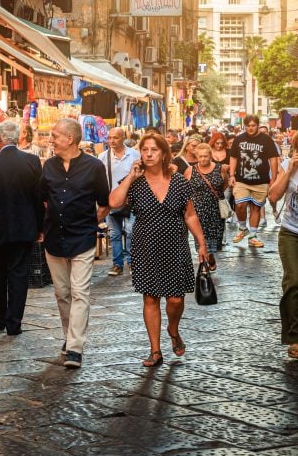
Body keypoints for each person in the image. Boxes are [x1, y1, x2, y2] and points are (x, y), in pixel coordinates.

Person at [109, 133, 209, 367]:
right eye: (145, 150)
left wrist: (201, 243)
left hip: (175, 246)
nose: (150, 154)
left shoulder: (178, 181)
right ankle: (155, 350)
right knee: (151, 298)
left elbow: (190, 214)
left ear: (164, 153)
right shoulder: (136, 182)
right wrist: (130, 178)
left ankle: (173, 329)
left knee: (175, 299)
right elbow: (114, 203)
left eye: (155, 150)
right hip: (145, 247)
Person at [40, 118, 111, 368]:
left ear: (70, 139)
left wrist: (92, 223)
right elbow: (42, 199)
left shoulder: (94, 167)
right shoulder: (48, 166)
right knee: (62, 293)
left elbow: (105, 202)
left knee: (80, 292)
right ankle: (69, 336)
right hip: (54, 238)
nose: (51, 140)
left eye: (55, 135)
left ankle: (75, 348)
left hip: (82, 238)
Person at [0, 120, 44, 335]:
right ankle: (14, 323)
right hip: (24, 229)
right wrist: (40, 228)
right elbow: (38, 200)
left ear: (0, 139)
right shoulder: (32, 162)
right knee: (19, 275)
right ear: (15, 138)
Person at [267, 132, 298, 360]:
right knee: (294, 280)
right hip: (291, 232)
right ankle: (294, 336)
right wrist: (289, 171)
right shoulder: (288, 165)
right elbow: (274, 195)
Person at [228, 114, 280, 248]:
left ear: (257, 125)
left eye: (253, 125)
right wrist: (232, 175)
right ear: (244, 126)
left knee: (256, 207)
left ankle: (253, 235)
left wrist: (273, 178)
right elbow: (233, 157)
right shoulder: (239, 139)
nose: (250, 128)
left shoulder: (266, 139)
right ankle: (242, 228)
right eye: (248, 126)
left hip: (261, 180)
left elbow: (273, 158)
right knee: (240, 205)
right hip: (241, 179)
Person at [99, 127, 140, 276]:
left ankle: (131, 261)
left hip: (131, 200)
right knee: (115, 233)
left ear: (123, 138)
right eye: (109, 138)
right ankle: (117, 264)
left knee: (130, 231)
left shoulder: (134, 155)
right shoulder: (103, 157)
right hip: (111, 200)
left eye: (115, 138)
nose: (111, 141)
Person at [186, 143, 229, 266]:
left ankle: (210, 255)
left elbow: (224, 184)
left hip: (216, 209)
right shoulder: (190, 170)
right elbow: (185, 188)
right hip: (197, 209)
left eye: (205, 156)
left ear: (211, 156)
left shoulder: (220, 168)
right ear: (197, 157)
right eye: (200, 157)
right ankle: (203, 262)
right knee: (199, 237)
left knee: (214, 237)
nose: (203, 159)